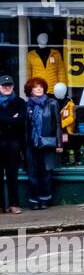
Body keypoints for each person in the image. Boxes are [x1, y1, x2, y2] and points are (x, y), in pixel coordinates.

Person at [24, 76, 63, 210]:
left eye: (41, 86)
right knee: (33, 173)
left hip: (47, 143)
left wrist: (59, 144)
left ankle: (45, 199)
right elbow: (25, 127)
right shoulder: (27, 104)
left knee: (46, 174)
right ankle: (34, 201)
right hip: (32, 144)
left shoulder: (52, 103)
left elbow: (58, 124)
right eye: (35, 87)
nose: (39, 89)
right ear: (30, 90)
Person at [0, 76, 25, 214]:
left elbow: (21, 120)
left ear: (13, 87)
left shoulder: (19, 102)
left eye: (9, 85)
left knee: (12, 175)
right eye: (4, 85)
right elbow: (14, 121)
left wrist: (4, 120)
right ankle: (1, 206)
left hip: (14, 143)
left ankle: (14, 204)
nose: (7, 87)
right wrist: (11, 119)